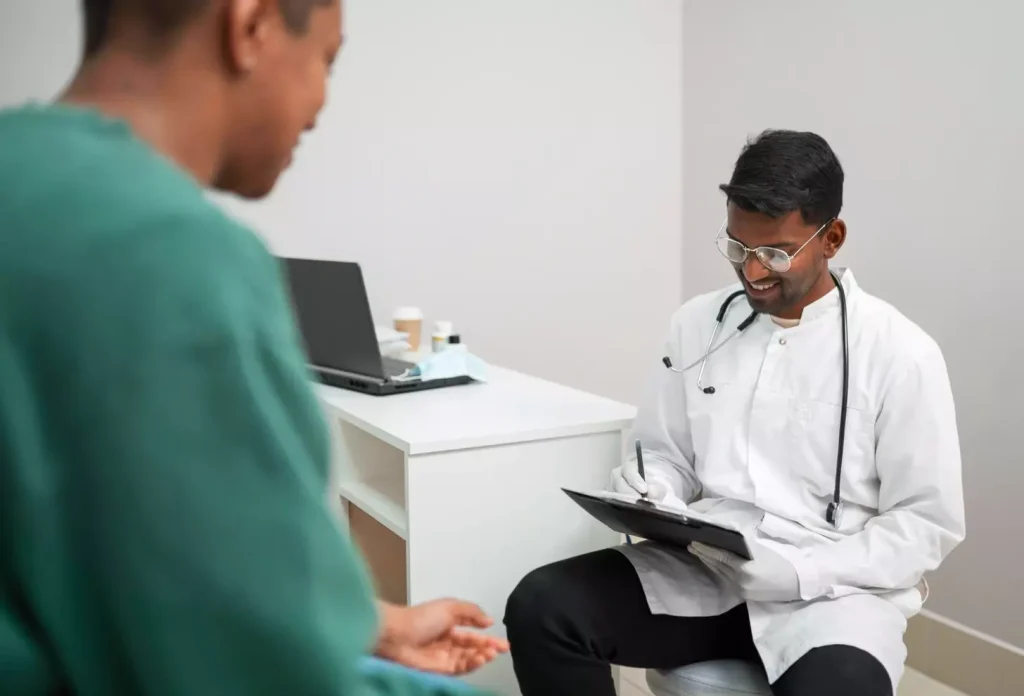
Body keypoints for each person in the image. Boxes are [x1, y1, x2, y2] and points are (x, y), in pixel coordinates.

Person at [0, 1, 506, 694]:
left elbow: (110, 543)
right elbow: (254, 663)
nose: (322, 105)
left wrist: (373, 625)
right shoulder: (173, 254)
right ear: (252, 26)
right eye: (326, 62)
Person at [504, 130, 965, 696]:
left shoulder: (899, 352)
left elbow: (924, 524)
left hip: (832, 599)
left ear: (832, 238)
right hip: (705, 572)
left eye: (774, 252)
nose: (752, 273)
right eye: (737, 248)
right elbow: (667, 453)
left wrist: (801, 572)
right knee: (543, 607)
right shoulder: (697, 325)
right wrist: (652, 486)